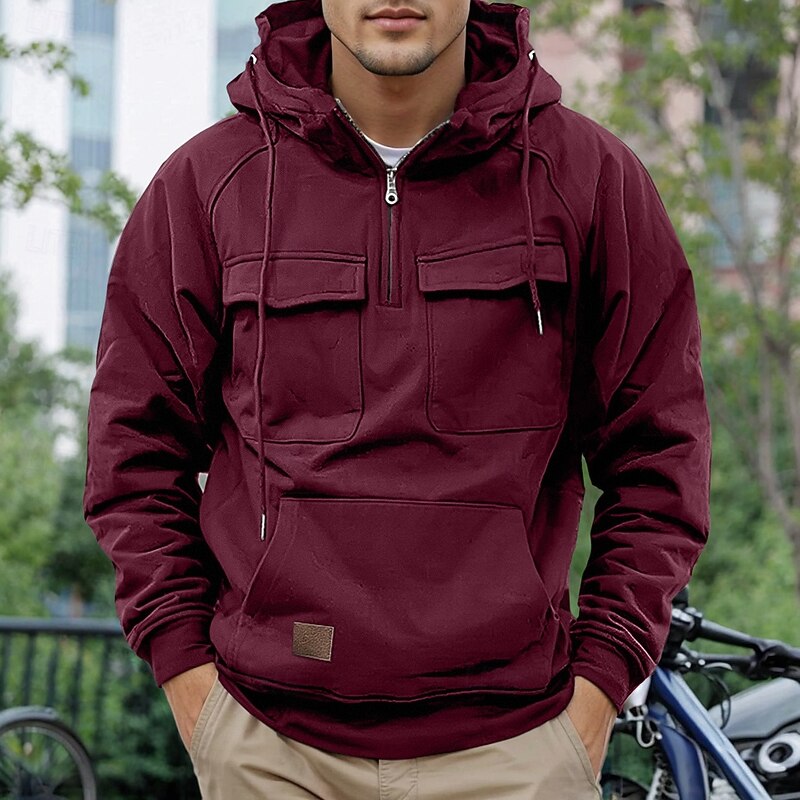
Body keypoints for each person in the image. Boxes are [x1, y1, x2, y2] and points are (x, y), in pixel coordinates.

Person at [82, 0, 711, 796]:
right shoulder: (208, 184)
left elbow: (661, 452)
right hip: (268, 746)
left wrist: (599, 688)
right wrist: (188, 676)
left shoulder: (589, 178)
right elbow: (132, 454)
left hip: (520, 750)